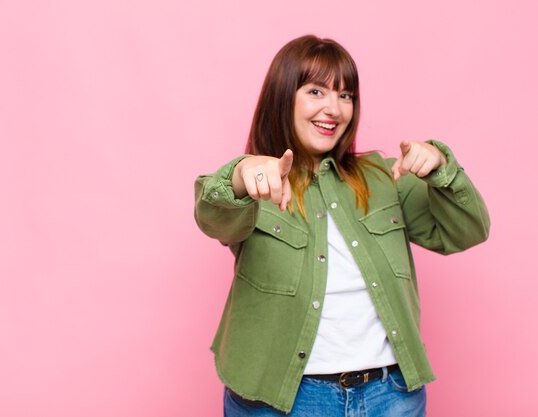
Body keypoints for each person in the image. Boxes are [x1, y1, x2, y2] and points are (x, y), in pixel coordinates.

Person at [194, 35, 489, 417]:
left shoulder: (384, 177)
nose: (334, 108)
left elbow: (467, 230)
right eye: (316, 91)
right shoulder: (257, 183)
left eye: (346, 95)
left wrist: (441, 167)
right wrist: (242, 172)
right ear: (283, 96)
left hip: (390, 396)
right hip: (280, 400)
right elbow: (212, 216)